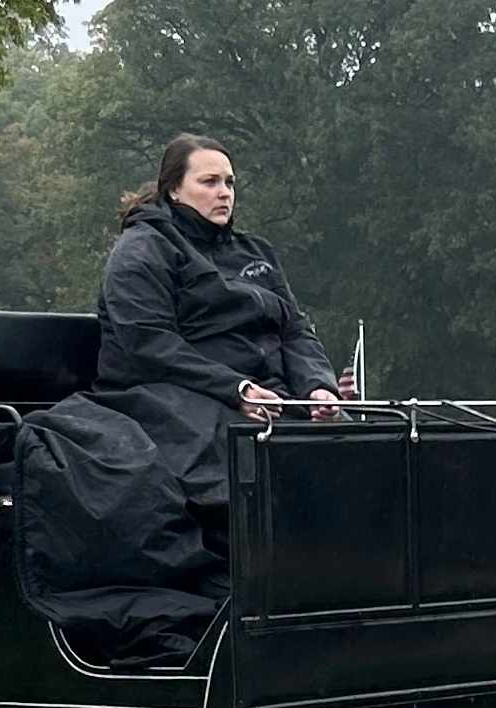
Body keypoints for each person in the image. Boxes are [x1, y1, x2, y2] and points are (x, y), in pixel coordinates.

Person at [93, 135, 339, 509]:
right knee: (241, 466)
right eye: (209, 182)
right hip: (170, 392)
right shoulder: (141, 250)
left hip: (269, 392)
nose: (224, 193)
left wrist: (318, 386)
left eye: (229, 182)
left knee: (365, 443)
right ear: (174, 189)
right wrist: (236, 389)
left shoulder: (255, 251)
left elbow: (294, 329)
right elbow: (150, 344)